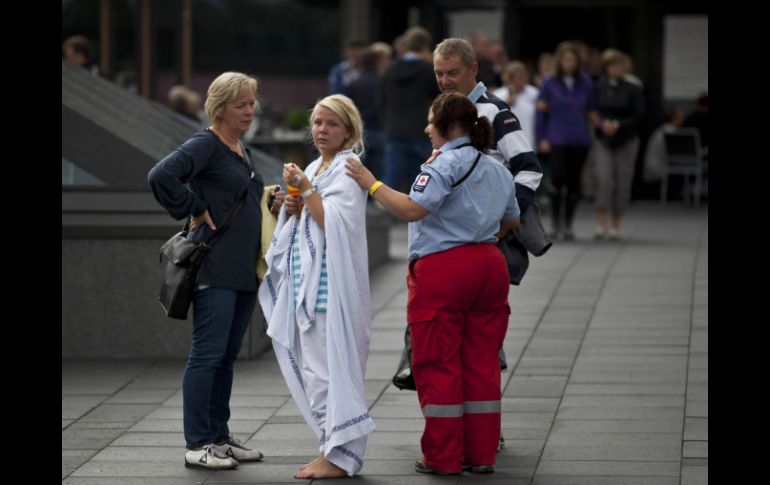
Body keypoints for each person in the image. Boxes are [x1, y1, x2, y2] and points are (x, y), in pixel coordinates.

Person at [346, 92, 519, 475]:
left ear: (445, 124)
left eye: (430, 121)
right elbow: (512, 221)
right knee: (481, 362)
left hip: (444, 270)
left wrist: (372, 185)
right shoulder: (495, 167)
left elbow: (412, 209)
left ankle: (442, 457)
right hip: (490, 266)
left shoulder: (442, 165)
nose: (426, 129)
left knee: (437, 362)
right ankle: (481, 455)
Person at [148, 72, 279, 470]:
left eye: (252, 103)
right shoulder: (206, 143)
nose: (249, 110)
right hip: (215, 268)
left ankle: (219, 437)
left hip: (242, 269)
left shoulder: (241, 149)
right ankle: (198, 442)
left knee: (225, 357)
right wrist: (193, 206)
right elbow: (161, 175)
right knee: (206, 355)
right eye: (241, 104)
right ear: (220, 107)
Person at [258, 94, 375, 479]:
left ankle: (340, 456)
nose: (322, 130)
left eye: (331, 124)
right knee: (314, 373)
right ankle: (329, 446)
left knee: (328, 372)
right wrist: (291, 205)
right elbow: (311, 213)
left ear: (348, 131)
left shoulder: (347, 168)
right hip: (308, 284)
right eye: (318, 123)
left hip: (329, 288)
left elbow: (336, 224)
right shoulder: (317, 165)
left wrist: (307, 191)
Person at [536, 42, 598, 241]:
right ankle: (555, 223)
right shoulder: (549, 83)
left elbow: (591, 111)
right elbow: (541, 113)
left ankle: (569, 224)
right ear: (559, 61)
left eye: (573, 60)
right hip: (557, 138)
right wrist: (542, 137)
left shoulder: (586, 82)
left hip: (579, 139)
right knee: (557, 180)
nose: (569, 63)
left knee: (574, 183)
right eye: (566, 60)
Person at [592, 49, 645, 240]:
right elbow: (590, 109)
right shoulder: (598, 87)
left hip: (626, 139)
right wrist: (601, 124)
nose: (615, 69)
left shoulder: (633, 88)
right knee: (605, 180)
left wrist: (618, 124)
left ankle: (615, 224)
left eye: (619, 66)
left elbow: (639, 114)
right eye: (612, 66)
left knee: (623, 182)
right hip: (603, 139)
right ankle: (600, 223)